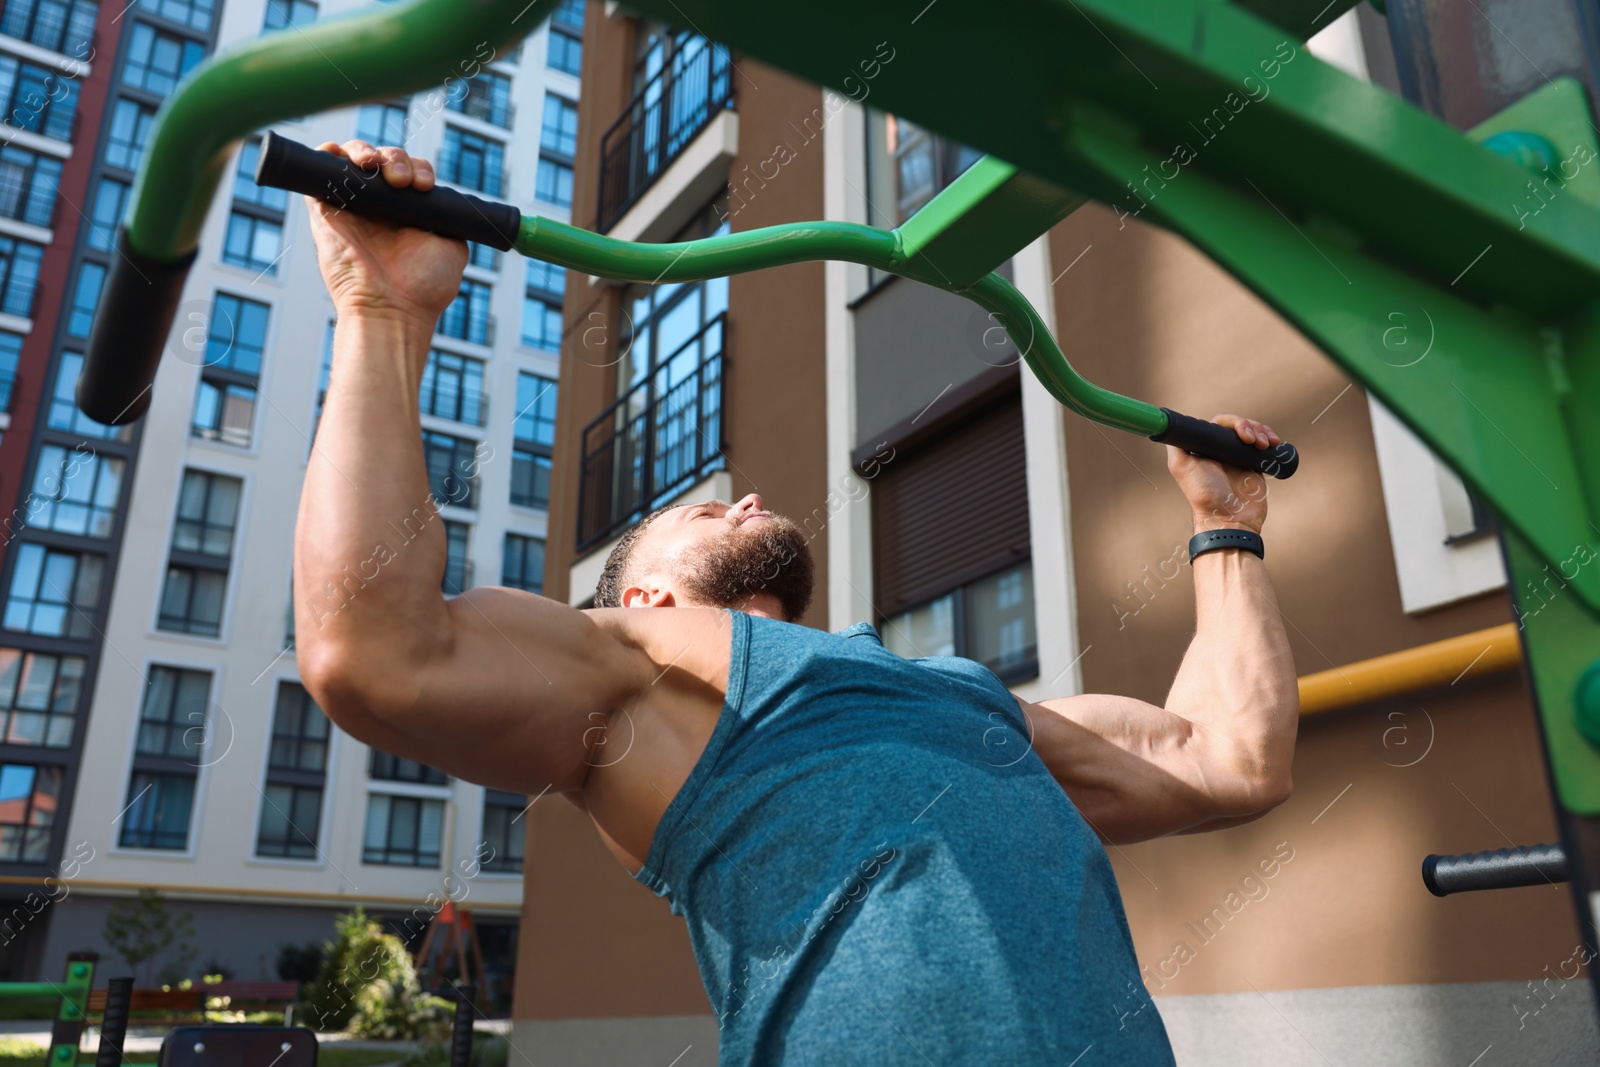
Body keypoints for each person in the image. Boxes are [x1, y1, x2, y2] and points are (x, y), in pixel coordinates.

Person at [295, 140, 1299, 1066]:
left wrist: (1225, 529)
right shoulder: (638, 671)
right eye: (702, 508)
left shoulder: (959, 695)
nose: (748, 498)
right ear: (642, 591)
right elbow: (374, 650)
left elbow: (1228, 760)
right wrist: (382, 311)